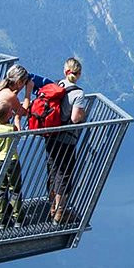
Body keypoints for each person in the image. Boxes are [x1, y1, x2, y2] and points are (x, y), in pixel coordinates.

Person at [37, 57, 92, 225]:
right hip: (67, 139)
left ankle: (52, 207)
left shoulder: (57, 85)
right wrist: (83, 115)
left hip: (51, 136)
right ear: (79, 74)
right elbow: (75, 119)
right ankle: (60, 213)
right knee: (64, 174)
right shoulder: (78, 93)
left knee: (53, 170)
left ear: (65, 71)